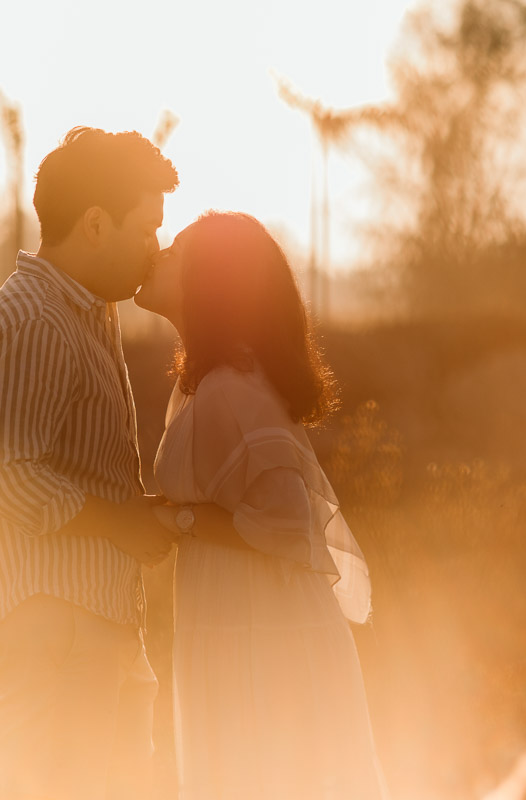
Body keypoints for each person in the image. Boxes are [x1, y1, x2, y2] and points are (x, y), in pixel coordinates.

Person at [0, 126, 181, 800]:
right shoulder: (35, 320)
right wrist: (120, 524)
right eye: (145, 229)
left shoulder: (81, 313)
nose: (154, 248)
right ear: (94, 224)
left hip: (91, 622)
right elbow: (9, 475)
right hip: (51, 624)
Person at [135, 211, 390, 799]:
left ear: (210, 282)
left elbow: (284, 520)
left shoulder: (231, 386)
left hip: (261, 634)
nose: (159, 256)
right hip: (236, 619)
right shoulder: (209, 381)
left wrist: (176, 519)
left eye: (177, 250)